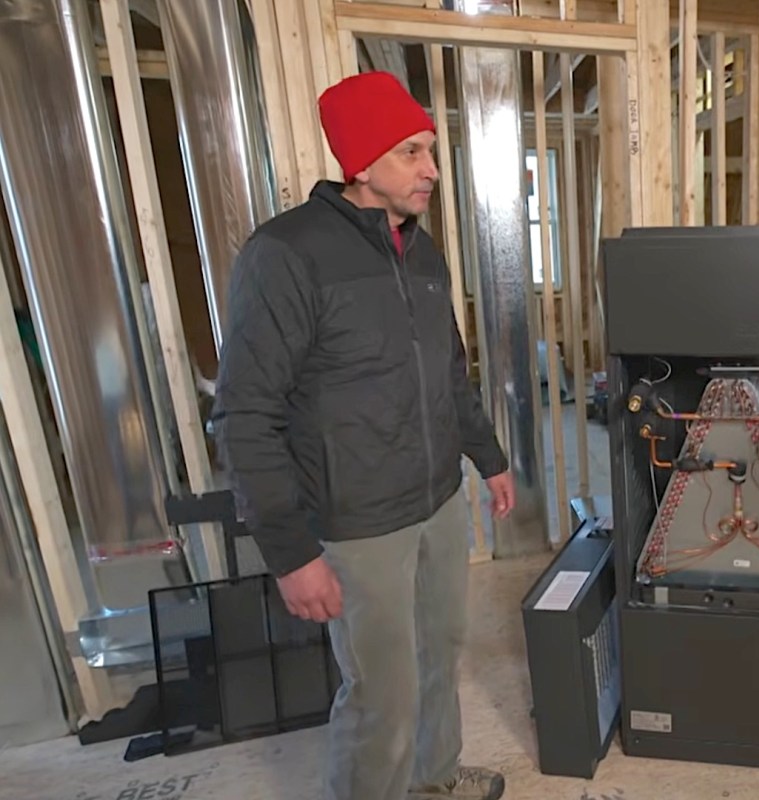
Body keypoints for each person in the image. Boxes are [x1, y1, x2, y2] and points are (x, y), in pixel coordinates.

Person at [212, 71, 515, 800]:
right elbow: (244, 413)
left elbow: (449, 373)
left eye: (430, 152)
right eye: (412, 152)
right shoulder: (287, 254)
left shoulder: (421, 249)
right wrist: (290, 553)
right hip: (357, 521)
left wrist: (488, 458)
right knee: (383, 691)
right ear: (361, 161)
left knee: (440, 655)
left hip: (438, 499)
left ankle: (434, 781)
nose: (431, 171)